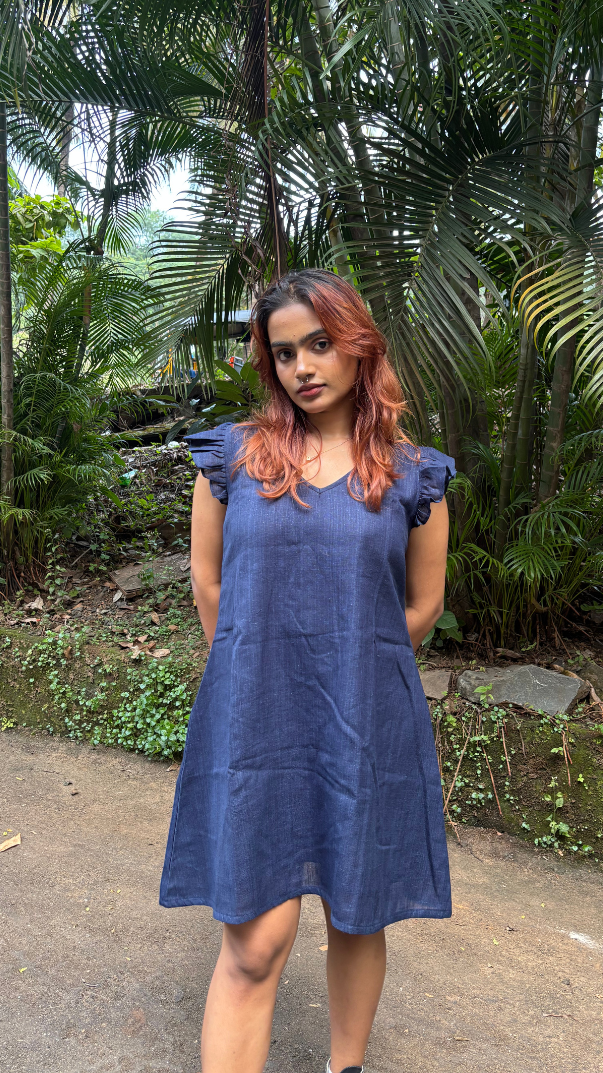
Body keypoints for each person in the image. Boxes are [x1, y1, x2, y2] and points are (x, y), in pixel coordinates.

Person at [160, 269, 455, 1073]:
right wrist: (260, 666)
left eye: (319, 344)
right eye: (285, 352)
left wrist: (348, 660)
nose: (302, 367)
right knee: (256, 941)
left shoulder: (413, 473)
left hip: (363, 716)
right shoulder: (232, 459)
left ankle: (344, 1067)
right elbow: (209, 583)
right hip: (253, 718)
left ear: (359, 346)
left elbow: (422, 604)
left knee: (360, 911)